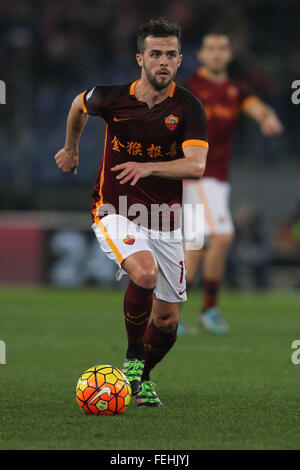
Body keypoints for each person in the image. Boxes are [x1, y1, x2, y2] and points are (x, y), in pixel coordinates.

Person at [54, 18, 208, 407]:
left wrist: (148, 167)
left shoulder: (188, 107)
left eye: (171, 54)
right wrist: (71, 148)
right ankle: (134, 357)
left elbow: (195, 165)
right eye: (155, 53)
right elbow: (79, 105)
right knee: (143, 271)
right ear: (140, 58)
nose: (164, 61)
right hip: (114, 207)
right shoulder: (112, 98)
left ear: (179, 59)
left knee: (168, 322)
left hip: (166, 219)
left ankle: (139, 377)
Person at [181, 33, 283, 335]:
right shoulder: (188, 87)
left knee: (197, 247)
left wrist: (267, 117)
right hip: (193, 175)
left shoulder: (235, 90)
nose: (216, 54)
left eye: (222, 49)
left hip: (217, 181)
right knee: (222, 236)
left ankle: (170, 315)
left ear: (228, 55)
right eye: (210, 48)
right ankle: (206, 310)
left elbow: (257, 107)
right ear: (201, 54)